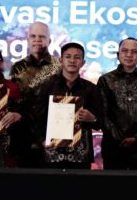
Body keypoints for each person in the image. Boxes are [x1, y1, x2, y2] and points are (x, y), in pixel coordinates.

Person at [36, 42, 103, 170]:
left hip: (81, 154)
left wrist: (93, 118)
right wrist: (42, 140)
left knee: (80, 183)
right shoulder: (47, 86)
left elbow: (101, 122)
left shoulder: (91, 89)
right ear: (61, 60)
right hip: (52, 151)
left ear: (83, 62)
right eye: (68, 56)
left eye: (77, 57)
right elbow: (38, 118)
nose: (72, 60)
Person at [97, 38, 137, 170]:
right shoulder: (105, 80)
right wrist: (119, 137)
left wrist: (136, 137)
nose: (129, 55)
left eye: (134, 52)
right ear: (118, 54)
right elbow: (103, 114)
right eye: (125, 51)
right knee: (114, 183)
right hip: (113, 147)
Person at [10, 22, 61, 167]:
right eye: (33, 36)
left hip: (51, 134)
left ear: (49, 41)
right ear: (28, 39)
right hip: (22, 134)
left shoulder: (60, 66)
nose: (37, 40)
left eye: (42, 36)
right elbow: (13, 101)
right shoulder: (18, 67)